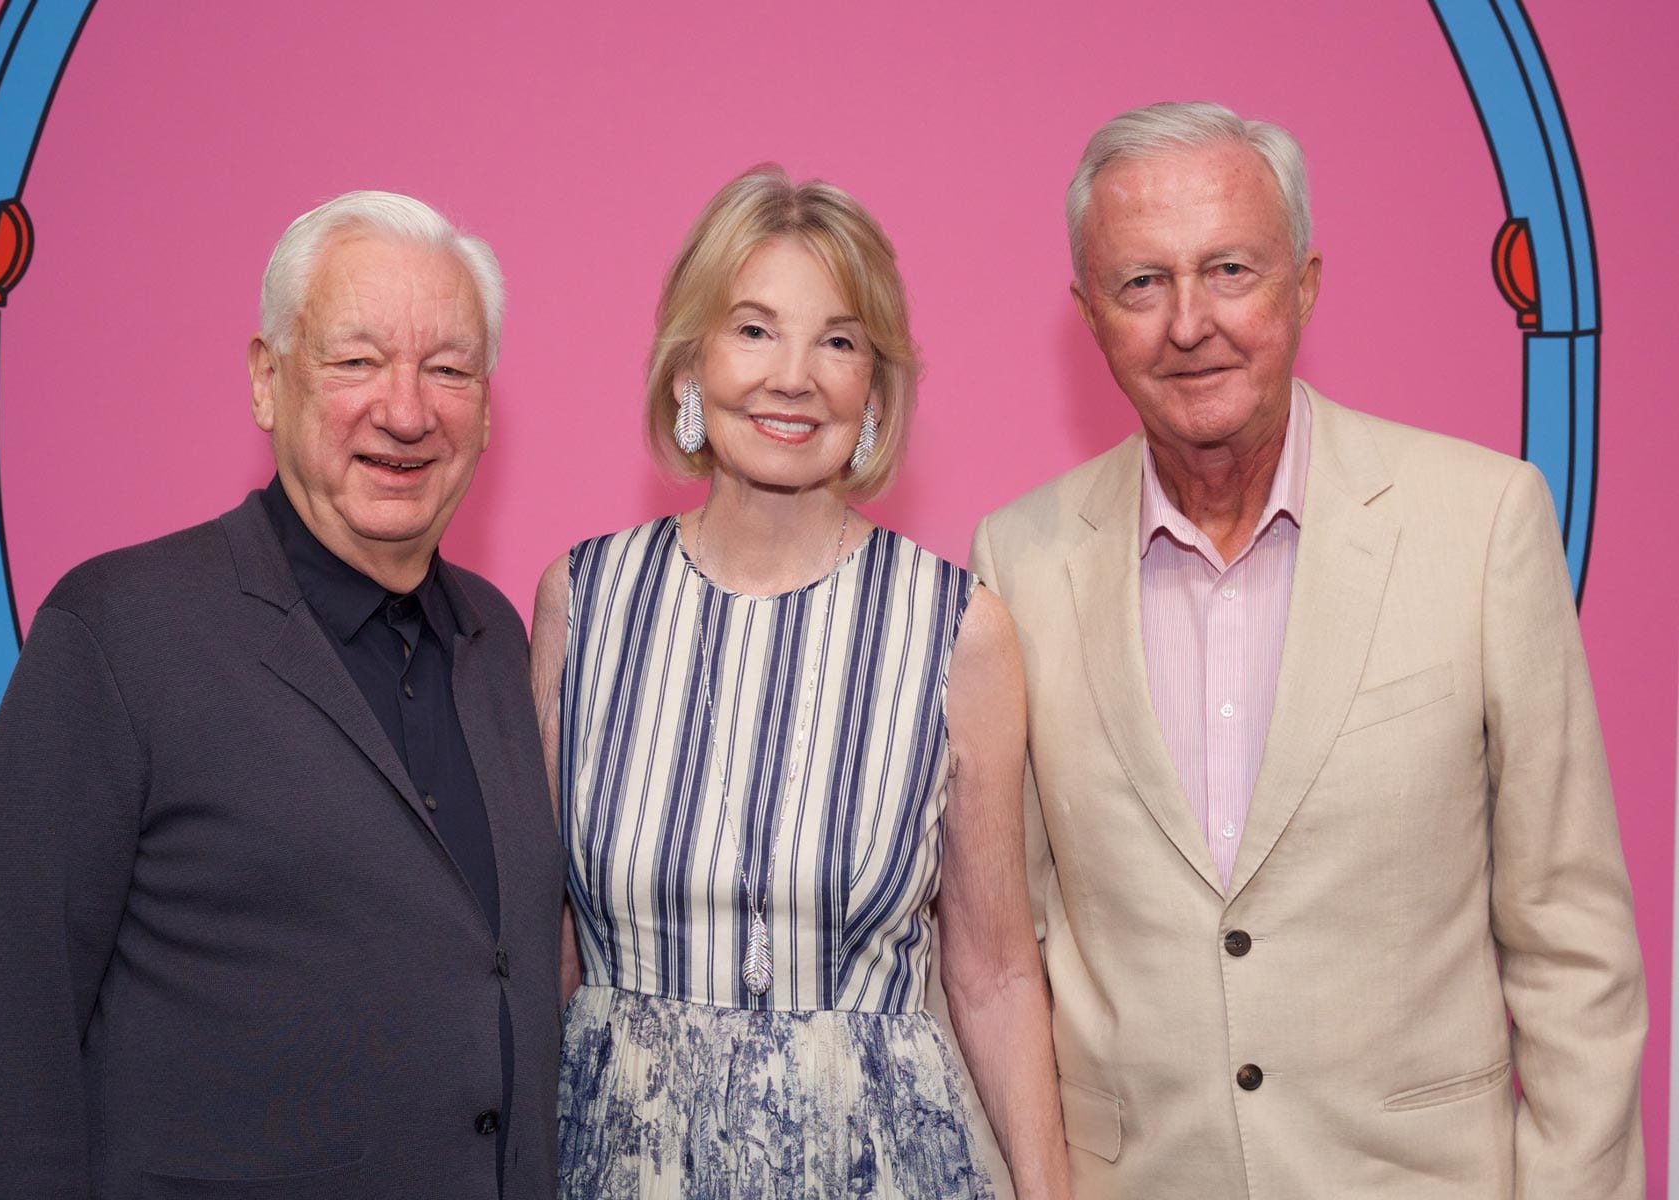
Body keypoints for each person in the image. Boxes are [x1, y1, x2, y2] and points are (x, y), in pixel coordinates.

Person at [972, 101, 1647, 1197]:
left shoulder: (1480, 523)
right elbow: (1014, 949)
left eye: (1231, 268)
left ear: (1306, 284)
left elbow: (1573, 947)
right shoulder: (1019, 559)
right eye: (1142, 283)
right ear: (1089, 315)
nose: (1190, 323)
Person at [0, 191, 563, 1199]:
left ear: (487, 410)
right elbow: (19, 1040)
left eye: (448, 370)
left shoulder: (499, 642)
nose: (406, 411)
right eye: (356, 361)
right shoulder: (116, 634)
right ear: (267, 381)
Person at [530, 166, 1066, 1199]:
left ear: (874, 386)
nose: (793, 378)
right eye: (753, 330)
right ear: (690, 363)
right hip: (616, 1166)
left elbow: (994, 971)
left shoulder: (958, 630)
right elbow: (545, 944)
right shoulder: (581, 602)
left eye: (838, 340)